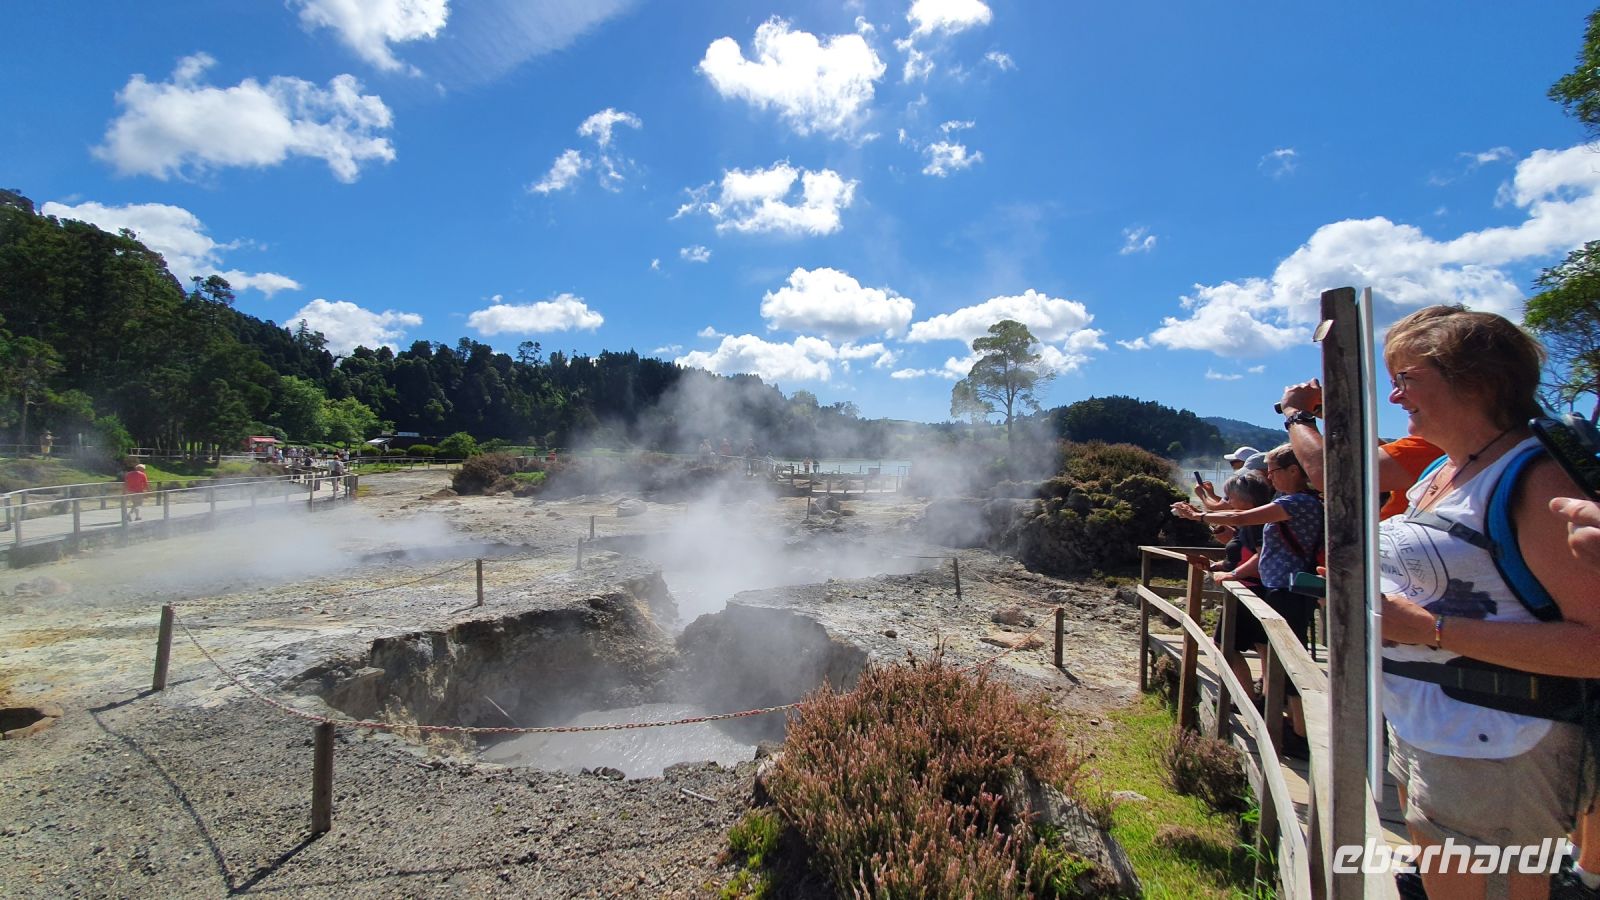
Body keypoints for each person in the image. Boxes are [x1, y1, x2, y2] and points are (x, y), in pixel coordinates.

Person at [1373, 306, 1599, 900]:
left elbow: (1595, 645)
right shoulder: (1442, 473)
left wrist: (1430, 629)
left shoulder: (1535, 478)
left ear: (1474, 380)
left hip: (1500, 744)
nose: (1395, 397)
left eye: (1407, 378)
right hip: (1430, 725)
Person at [1173, 444, 1323, 752]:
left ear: (1294, 471)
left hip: (1290, 589)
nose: (1269, 477)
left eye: (1274, 471)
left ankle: (1300, 736)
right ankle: (1290, 727)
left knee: (1288, 665)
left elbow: (1243, 518)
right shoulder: (1292, 501)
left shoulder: (1298, 503)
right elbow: (1241, 520)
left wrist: (1199, 515)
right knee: (1280, 660)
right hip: (1280, 588)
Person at [1278, 378, 1442, 520]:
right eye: (1395, 384)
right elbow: (1384, 456)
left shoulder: (1436, 446)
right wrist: (1332, 413)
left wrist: (1295, 413)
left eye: (1405, 380)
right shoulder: (1440, 447)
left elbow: (1331, 475)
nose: (1394, 396)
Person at [1190, 471, 1275, 702]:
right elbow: (1240, 552)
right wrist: (1218, 565)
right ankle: (1262, 698)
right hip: (1254, 589)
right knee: (1260, 645)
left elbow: (1261, 556)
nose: (1224, 503)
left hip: (1251, 590)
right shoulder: (1249, 524)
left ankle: (1243, 699)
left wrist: (1233, 574)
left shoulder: (1256, 524)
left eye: (1229, 498)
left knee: (1224, 643)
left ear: (1247, 501)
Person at [1197, 445, 1261, 511]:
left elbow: (1219, 507)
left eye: (1233, 462)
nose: (1231, 465)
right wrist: (1212, 495)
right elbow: (1230, 504)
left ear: (1244, 463)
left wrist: (1202, 495)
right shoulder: (1259, 481)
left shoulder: (1241, 481)